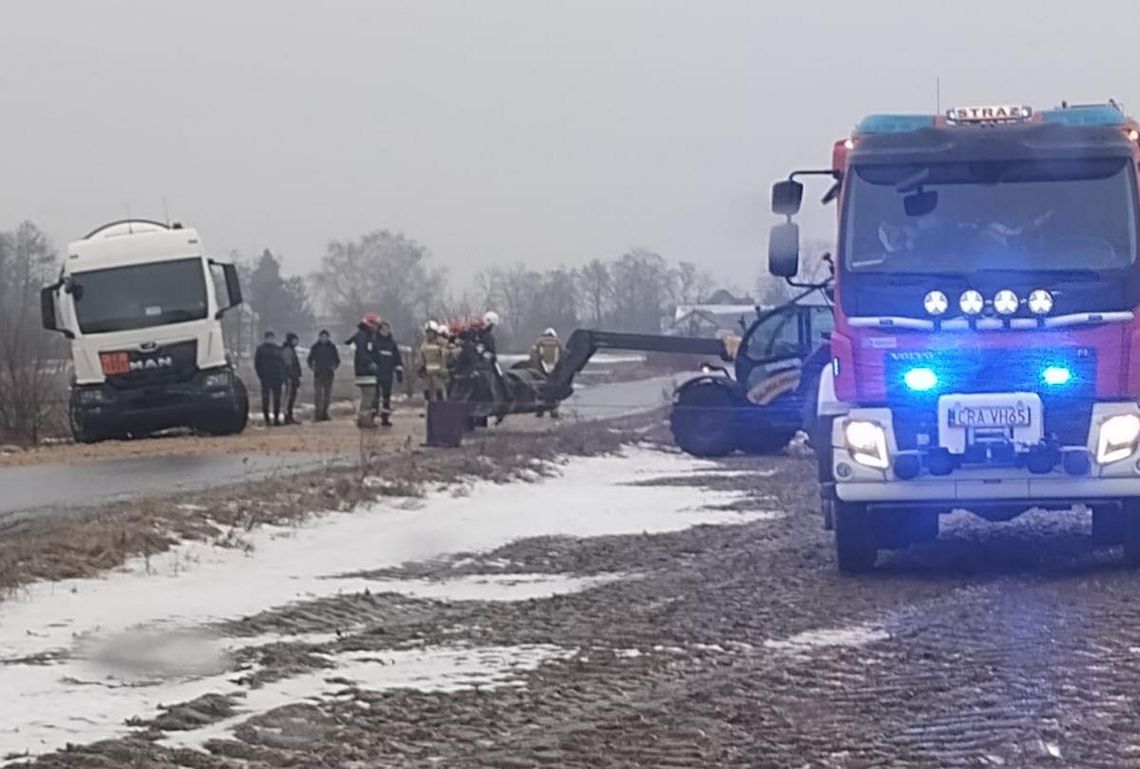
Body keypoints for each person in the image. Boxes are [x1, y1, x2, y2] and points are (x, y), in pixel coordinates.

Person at [347, 313, 380, 427]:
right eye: (376, 325)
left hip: (366, 371)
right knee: (368, 396)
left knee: (369, 396)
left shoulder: (366, 335)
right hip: (365, 371)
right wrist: (370, 363)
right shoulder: (364, 336)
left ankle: (365, 419)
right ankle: (365, 421)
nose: (377, 327)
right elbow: (362, 352)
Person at [371, 320, 404, 426]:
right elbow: (370, 357)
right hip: (376, 373)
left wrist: (399, 372)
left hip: (388, 373)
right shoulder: (375, 341)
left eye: (387, 329)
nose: (385, 331)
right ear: (379, 330)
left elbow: (397, 358)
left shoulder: (392, 343)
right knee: (375, 396)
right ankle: (372, 417)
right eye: (383, 329)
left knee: (386, 397)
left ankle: (385, 418)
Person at [307, 329, 340, 421]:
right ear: (319, 337)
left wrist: (334, 367)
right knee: (318, 395)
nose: (324, 338)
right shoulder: (315, 347)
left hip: (329, 374)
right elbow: (309, 360)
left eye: (325, 337)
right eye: (322, 337)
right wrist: (312, 368)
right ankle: (318, 414)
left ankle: (325, 413)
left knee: (327, 396)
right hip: (318, 374)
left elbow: (337, 360)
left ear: (328, 337)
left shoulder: (332, 347)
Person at [254, 330, 285, 427]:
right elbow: (257, 364)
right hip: (266, 377)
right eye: (269, 338)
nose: (270, 339)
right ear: (265, 338)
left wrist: (282, 375)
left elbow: (282, 363)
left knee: (277, 399)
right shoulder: (261, 349)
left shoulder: (277, 349)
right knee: (266, 398)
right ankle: (266, 418)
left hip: (277, 377)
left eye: (272, 338)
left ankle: (276, 418)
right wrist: (261, 375)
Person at [532, 327, 564, 419]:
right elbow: (563, 356)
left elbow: (533, 355)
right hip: (554, 371)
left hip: (540, 371)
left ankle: (540, 411)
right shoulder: (558, 342)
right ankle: (554, 411)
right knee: (554, 391)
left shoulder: (538, 341)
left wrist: (537, 367)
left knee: (540, 390)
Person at [417, 321, 448, 402]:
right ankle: (428, 408)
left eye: (431, 332)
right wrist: (421, 368)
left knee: (439, 391)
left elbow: (445, 357)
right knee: (426, 391)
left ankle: (441, 409)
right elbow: (421, 356)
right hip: (427, 373)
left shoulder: (441, 343)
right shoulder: (424, 344)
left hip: (438, 373)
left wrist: (443, 369)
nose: (429, 335)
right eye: (428, 332)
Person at [281, 332, 303, 424]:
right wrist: (292, 376)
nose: (296, 341)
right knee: (289, 397)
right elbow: (288, 365)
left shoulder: (291, 349)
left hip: (292, 376)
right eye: (295, 339)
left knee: (291, 397)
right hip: (289, 377)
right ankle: (287, 416)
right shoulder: (287, 350)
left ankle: (289, 416)